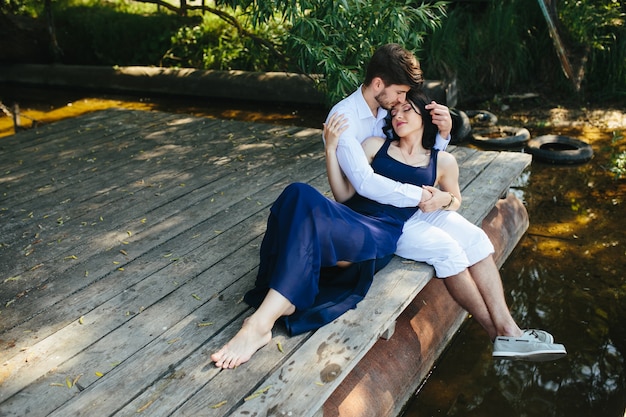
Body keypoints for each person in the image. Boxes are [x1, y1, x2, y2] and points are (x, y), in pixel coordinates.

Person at [326, 89, 567, 361]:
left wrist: (444, 197)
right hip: (392, 223)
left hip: (422, 212)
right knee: (448, 250)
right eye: (394, 112)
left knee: (475, 238)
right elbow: (345, 193)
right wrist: (330, 148)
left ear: (424, 116)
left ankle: (509, 329)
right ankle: (501, 334)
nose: (397, 115)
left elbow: (456, 201)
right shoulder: (374, 145)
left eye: (406, 110)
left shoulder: (442, 160)